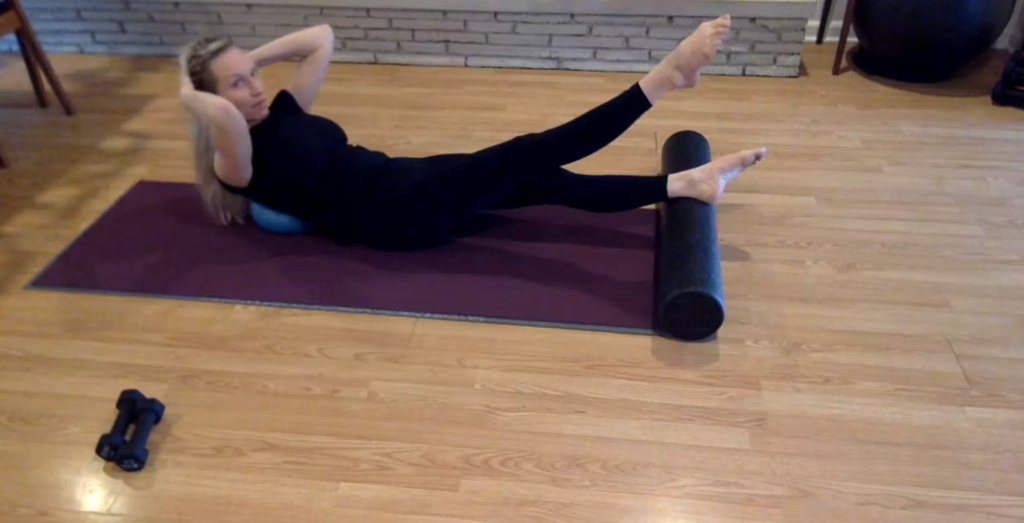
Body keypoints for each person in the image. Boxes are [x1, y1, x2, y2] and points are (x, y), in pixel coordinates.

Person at [179, 17, 766, 250]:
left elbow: (322, 37)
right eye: (236, 85)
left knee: (545, 178)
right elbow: (224, 118)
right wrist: (191, 85)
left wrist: (241, 59)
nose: (254, 88)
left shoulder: (282, 108)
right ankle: (664, 79)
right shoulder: (239, 160)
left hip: (401, 178)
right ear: (209, 104)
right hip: (392, 214)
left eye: (253, 75)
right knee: (529, 151)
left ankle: (686, 184)